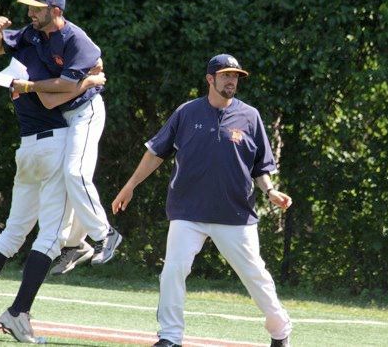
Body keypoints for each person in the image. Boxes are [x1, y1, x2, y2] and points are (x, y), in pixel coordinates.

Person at [111, 54, 293, 347]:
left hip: (234, 214)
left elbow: (260, 168)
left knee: (255, 276)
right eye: (226, 76)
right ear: (210, 79)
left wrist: (270, 191)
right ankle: (170, 337)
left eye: (235, 76)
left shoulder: (250, 116)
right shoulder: (186, 113)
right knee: (173, 270)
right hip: (188, 211)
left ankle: (280, 330)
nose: (232, 81)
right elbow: (156, 152)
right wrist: (130, 185)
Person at [0, 0, 122, 274]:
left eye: (37, 8)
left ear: (56, 11)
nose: (30, 13)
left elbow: (67, 84)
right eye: (30, 7)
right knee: (67, 176)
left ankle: (106, 235)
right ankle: (77, 244)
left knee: (75, 173)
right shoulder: (32, 34)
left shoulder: (76, 39)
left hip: (86, 113)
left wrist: (33, 86)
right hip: (64, 114)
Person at [0, 45, 105, 342]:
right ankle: (18, 312)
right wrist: (91, 80)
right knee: (51, 236)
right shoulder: (37, 71)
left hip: (27, 149)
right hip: (54, 147)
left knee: (12, 233)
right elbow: (58, 93)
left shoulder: (14, 73)